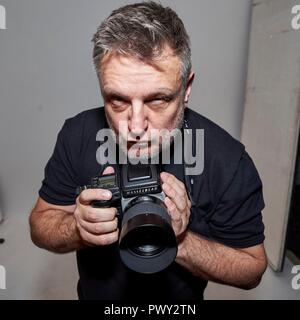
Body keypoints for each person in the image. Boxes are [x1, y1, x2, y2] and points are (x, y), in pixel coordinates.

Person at [29, 1, 267, 300]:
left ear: (186, 87)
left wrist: (177, 239)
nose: (136, 125)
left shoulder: (227, 161)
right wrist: (77, 228)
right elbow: (40, 223)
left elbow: (252, 268)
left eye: (158, 100)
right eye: (118, 100)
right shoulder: (78, 134)